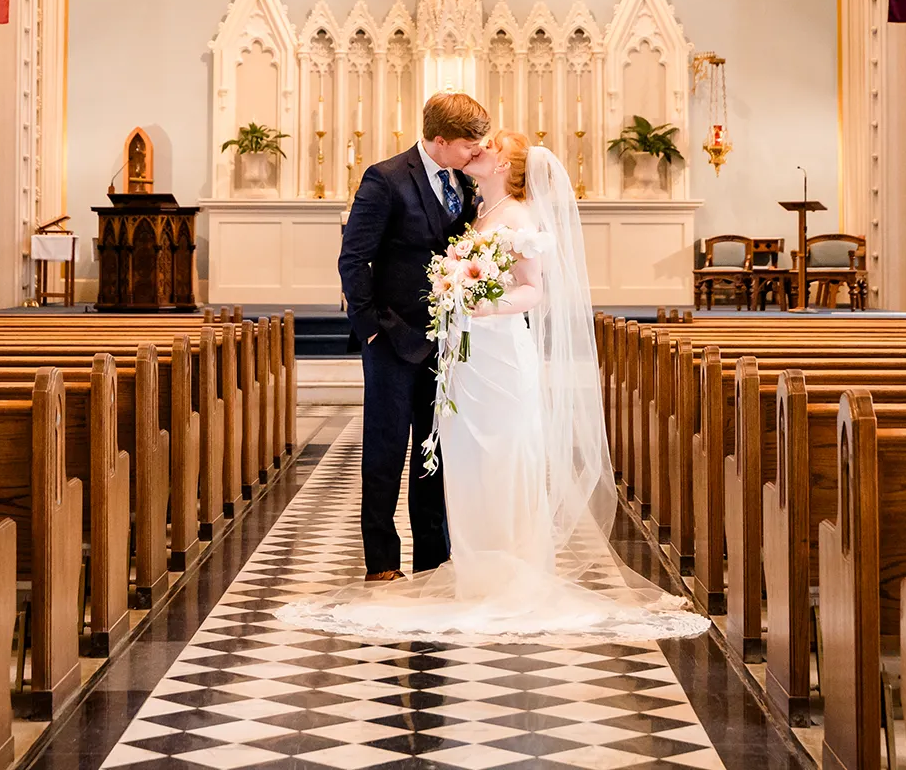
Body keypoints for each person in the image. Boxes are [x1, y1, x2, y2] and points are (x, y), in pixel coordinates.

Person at [285, 129, 708, 642]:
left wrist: (479, 304)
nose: (478, 152)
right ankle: (453, 563)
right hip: (453, 352)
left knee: (497, 452)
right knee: (457, 454)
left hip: (495, 351)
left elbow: (533, 288)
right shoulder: (474, 204)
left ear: (507, 166)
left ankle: (502, 569)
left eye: (488, 148)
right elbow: (369, 256)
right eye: (474, 144)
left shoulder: (516, 217)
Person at [336, 92, 487, 582]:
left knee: (435, 449)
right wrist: (370, 333)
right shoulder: (386, 178)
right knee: (386, 449)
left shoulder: (466, 181)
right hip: (392, 340)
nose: (476, 152)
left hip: (447, 340)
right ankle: (381, 560)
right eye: (469, 144)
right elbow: (353, 259)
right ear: (439, 141)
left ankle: (432, 557)